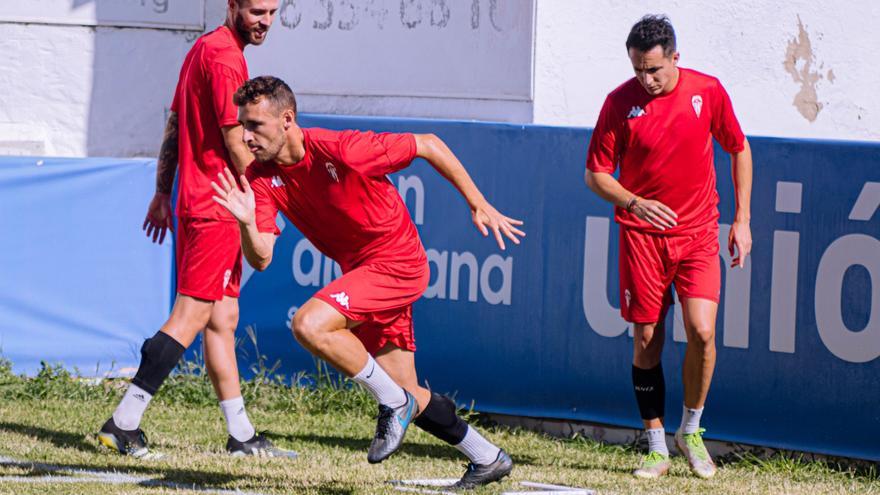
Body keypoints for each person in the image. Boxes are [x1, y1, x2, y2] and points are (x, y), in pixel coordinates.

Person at [211, 75, 524, 488]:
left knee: (309, 324)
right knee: (408, 387)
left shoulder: (342, 149)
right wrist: (248, 223)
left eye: (255, 125)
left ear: (287, 119)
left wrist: (477, 202)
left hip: (397, 262)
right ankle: (487, 457)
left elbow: (428, 143)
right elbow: (262, 258)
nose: (245, 136)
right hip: (361, 272)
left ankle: (393, 403)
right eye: (243, 126)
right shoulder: (260, 179)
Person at [97, 0, 294, 459]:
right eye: (256, 11)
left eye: (272, 12)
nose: (264, 21)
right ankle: (122, 423)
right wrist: (267, 200)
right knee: (189, 316)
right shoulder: (226, 58)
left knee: (222, 320)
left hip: (200, 199)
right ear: (232, 6)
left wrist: (164, 191)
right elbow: (235, 141)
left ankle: (240, 434)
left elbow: (174, 122)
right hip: (219, 204)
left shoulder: (206, 48)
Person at [584, 15, 753, 479]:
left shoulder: (707, 91)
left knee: (701, 332)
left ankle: (691, 431)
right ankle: (656, 443)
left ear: (674, 58)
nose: (647, 79)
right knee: (646, 342)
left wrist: (741, 219)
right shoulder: (619, 103)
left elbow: (739, 147)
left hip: (698, 234)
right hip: (642, 239)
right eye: (639, 69)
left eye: (655, 69)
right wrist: (634, 203)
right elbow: (596, 174)